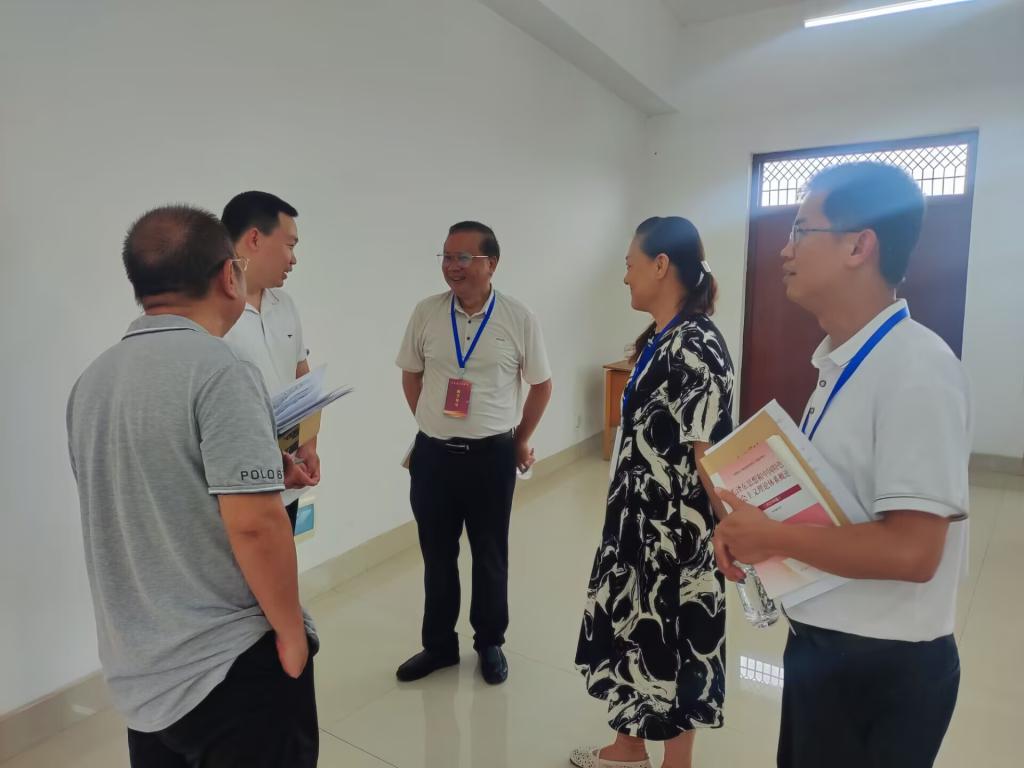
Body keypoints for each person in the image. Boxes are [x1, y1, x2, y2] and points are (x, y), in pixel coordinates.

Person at [713, 162, 970, 768]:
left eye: (801, 231)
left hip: (881, 671)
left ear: (859, 246)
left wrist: (774, 536)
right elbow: (840, 509)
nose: (784, 250)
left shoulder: (917, 368)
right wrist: (756, 537)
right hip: (826, 650)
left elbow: (913, 553)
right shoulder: (842, 362)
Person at [66, 206, 319, 767]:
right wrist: (291, 634)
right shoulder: (220, 369)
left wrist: (265, 465)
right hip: (227, 668)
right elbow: (255, 526)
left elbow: (143, 485)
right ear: (230, 275)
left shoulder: (93, 381)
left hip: (142, 672)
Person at [573, 217, 734, 768]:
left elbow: (706, 454)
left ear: (661, 265)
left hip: (676, 533)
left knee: (677, 639)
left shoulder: (697, 344)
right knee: (635, 633)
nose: (625, 277)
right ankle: (628, 747)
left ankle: (675, 762)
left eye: (630, 265)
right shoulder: (661, 337)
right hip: (638, 522)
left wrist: (735, 531)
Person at [395, 220, 553, 685]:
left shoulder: (518, 317)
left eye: (463, 257)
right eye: (446, 256)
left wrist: (520, 439)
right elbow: (411, 374)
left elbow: (541, 385)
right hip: (433, 458)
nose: (452, 266)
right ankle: (439, 646)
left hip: (491, 458)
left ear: (491, 263)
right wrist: (432, 423)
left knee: (489, 554)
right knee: (437, 555)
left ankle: (490, 642)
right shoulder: (426, 313)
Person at [222, 191, 319, 530]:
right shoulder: (212, 312)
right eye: (290, 245)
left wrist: (309, 445)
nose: (294, 259)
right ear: (254, 239)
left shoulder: (284, 304)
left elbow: (302, 377)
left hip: (289, 478)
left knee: (285, 560)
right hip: (241, 489)